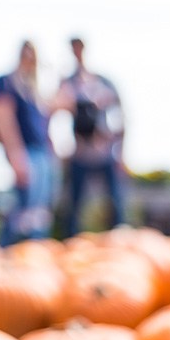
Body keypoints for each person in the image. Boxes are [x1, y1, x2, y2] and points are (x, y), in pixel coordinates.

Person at [57, 37, 126, 236]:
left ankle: (119, 241)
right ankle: (71, 242)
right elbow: (56, 110)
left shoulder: (103, 82)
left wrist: (119, 148)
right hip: (80, 152)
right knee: (74, 205)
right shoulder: (68, 83)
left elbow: (121, 115)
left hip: (104, 151)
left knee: (115, 204)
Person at [0, 41, 57, 245]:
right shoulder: (7, 82)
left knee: (39, 210)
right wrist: (15, 154)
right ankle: (8, 251)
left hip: (42, 152)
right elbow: (4, 118)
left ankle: (34, 250)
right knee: (23, 207)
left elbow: (44, 124)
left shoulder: (33, 88)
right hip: (25, 151)